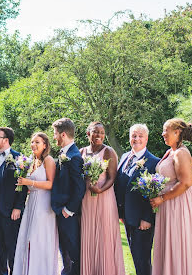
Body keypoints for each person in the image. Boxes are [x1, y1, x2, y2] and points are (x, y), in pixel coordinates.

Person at [150, 118, 192, 275]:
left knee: (179, 243)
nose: (163, 134)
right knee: (171, 244)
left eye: (165, 131)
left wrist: (162, 198)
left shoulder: (181, 153)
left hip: (179, 204)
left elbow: (186, 182)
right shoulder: (171, 151)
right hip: (169, 203)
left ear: (177, 132)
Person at [79, 122, 125, 275]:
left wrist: (99, 189)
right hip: (86, 198)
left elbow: (112, 178)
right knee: (88, 234)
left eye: (102, 132)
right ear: (88, 133)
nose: (99, 135)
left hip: (104, 197)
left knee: (104, 235)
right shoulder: (81, 152)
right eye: (95, 132)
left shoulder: (108, 151)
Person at [114, 124, 160, 275]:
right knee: (135, 256)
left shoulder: (154, 162)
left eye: (140, 136)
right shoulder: (125, 157)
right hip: (127, 217)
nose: (137, 139)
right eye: (134, 135)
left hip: (142, 220)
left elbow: (154, 192)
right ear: (129, 138)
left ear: (146, 138)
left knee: (142, 259)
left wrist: (147, 218)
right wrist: (120, 212)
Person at [13, 132, 58, 275]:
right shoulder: (31, 161)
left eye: (37, 142)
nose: (33, 145)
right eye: (32, 142)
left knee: (39, 240)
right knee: (27, 239)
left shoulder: (48, 160)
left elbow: (51, 184)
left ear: (45, 145)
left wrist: (28, 182)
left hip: (44, 205)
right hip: (31, 202)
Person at [0, 127, 27, 275]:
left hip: (11, 210)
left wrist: (18, 207)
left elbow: (22, 185)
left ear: (5, 140)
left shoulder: (19, 158)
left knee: (12, 247)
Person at [51, 118, 86, 275]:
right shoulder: (64, 153)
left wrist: (68, 209)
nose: (54, 137)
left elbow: (80, 188)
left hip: (68, 213)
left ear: (63, 134)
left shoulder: (74, 156)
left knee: (73, 252)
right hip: (60, 210)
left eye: (55, 134)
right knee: (64, 250)